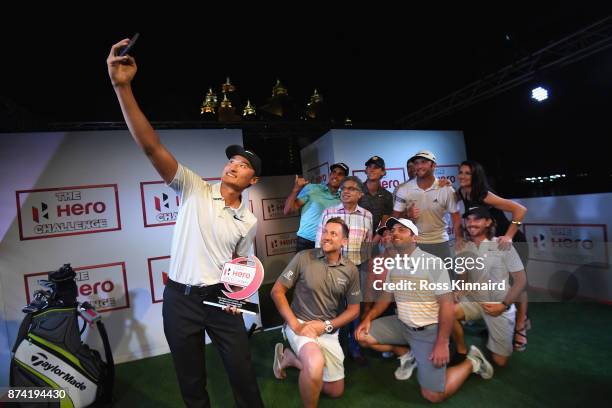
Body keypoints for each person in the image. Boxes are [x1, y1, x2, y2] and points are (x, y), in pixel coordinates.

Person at [107, 39, 263, 408]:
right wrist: (122, 87)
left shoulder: (249, 219)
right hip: (180, 300)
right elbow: (151, 147)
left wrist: (236, 301)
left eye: (243, 165)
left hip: (220, 301)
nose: (234, 165)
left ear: (252, 181)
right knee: (191, 383)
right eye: (233, 160)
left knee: (241, 373)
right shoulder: (193, 186)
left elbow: (239, 267)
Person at [356, 217, 494, 403]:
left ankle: (472, 361)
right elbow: (385, 298)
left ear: (415, 238)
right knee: (362, 336)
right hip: (401, 324)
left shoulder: (432, 263)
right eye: (393, 230)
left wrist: (441, 342)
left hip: (427, 331)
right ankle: (407, 354)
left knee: (433, 395)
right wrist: (368, 318)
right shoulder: (395, 264)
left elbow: (447, 306)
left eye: (402, 230)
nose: (395, 233)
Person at [271, 218, 361, 408]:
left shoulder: (350, 269)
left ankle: (290, 358)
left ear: (344, 241)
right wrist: (296, 325)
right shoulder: (304, 257)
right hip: (300, 324)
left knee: (335, 391)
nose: (326, 237)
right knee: (314, 363)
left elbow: (354, 310)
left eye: (333, 234)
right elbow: (277, 291)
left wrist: (326, 325)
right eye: (325, 232)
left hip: (327, 330)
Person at [454, 160, 530, 351]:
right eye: (461, 172)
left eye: (467, 173)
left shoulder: (483, 194)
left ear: (476, 176)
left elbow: (520, 210)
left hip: (508, 242)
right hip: (490, 243)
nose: (462, 176)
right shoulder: (462, 192)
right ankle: (499, 322)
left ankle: (521, 326)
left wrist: (510, 236)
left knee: (516, 286)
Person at [452, 205, 527, 367]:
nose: (471, 223)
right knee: (447, 312)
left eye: (477, 219)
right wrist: (457, 291)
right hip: (474, 300)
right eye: (468, 219)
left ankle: (505, 328)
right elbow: (463, 278)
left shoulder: (503, 245)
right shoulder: (462, 248)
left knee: (500, 362)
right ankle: (462, 351)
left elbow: (521, 282)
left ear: (488, 222)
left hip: (499, 305)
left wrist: (504, 305)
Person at [315, 176, 373, 363]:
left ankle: (355, 348)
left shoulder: (367, 216)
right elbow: (320, 242)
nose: (345, 191)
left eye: (351, 188)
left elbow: (367, 245)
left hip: (357, 269)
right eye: (343, 188)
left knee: (355, 311)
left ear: (360, 194)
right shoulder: (329, 213)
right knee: (335, 310)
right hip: (333, 268)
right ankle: (335, 349)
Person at [392, 150, 460, 263]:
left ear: (433, 165)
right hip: (415, 243)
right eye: (417, 163)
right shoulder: (404, 189)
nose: (419, 166)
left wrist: (459, 239)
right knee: (419, 280)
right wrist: (407, 214)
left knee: (445, 279)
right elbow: (394, 219)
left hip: (441, 241)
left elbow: (456, 217)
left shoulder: (446, 189)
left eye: (423, 162)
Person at [284, 163, 349, 252]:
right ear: (329, 175)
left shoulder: (343, 198)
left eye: (340, 174)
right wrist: (296, 189)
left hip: (328, 243)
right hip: (306, 242)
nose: (335, 176)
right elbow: (288, 210)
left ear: (345, 179)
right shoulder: (313, 188)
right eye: (333, 172)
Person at [359, 155, 394, 232]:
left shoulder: (387, 195)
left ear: (383, 172)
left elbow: (384, 221)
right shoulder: (356, 191)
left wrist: (374, 241)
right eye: (369, 167)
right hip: (356, 237)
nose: (372, 170)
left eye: (376, 167)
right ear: (366, 170)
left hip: (377, 239)